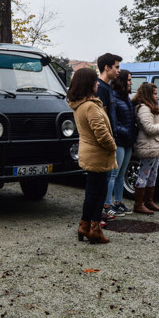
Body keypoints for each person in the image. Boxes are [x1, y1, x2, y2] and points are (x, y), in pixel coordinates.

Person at [67, 67, 117, 244]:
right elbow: (101, 133)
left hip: (90, 153)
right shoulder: (90, 106)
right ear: (88, 84)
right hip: (98, 155)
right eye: (95, 81)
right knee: (98, 193)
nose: (97, 83)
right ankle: (94, 229)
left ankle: (84, 225)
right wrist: (113, 146)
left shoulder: (80, 105)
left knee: (92, 192)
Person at [132, 82, 159, 214]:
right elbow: (149, 129)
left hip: (153, 146)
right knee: (144, 173)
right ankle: (139, 204)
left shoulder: (148, 107)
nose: (157, 96)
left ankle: (148, 201)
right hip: (148, 146)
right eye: (154, 94)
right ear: (148, 95)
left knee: (152, 174)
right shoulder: (143, 108)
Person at [94, 53, 122, 220]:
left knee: (107, 178)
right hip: (105, 142)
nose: (119, 71)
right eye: (116, 67)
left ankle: (101, 213)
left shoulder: (108, 88)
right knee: (103, 180)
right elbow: (100, 120)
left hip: (112, 138)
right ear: (107, 67)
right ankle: (99, 213)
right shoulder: (100, 89)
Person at [105, 69, 136, 216]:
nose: (131, 83)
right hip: (119, 141)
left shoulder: (126, 98)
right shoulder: (114, 99)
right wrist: (126, 131)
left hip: (128, 141)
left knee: (121, 174)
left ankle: (118, 202)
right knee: (113, 174)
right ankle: (107, 204)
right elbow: (113, 122)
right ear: (122, 81)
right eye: (129, 80)